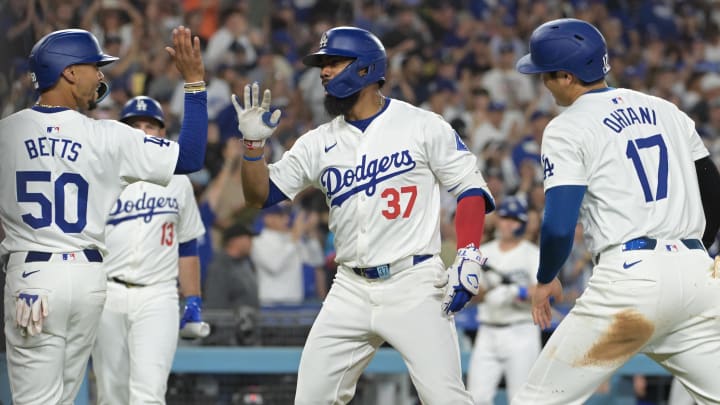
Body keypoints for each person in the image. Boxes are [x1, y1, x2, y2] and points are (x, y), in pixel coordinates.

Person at [233, 26, 495, 404]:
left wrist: (468, 251)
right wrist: (253, 148)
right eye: (322, 65)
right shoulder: (318, 142)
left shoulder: (421, 125)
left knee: (447, 398)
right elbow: (260, 195)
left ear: (365, 69)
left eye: (333, 63)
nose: (323, 72)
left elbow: (469, 188)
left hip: (415, 282)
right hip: (350, 288)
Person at [512, 18, 720, 404]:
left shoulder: (567, 126)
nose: (542, 82)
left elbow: (559, 227)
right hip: (699, 277)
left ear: (566, 75)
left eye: (545, 74)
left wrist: (546, 278)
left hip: (631, 280)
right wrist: (692, 250)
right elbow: (714, 191)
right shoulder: (667, 110)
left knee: (536, 400)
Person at [0, 26, 207, 404]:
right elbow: (191, 156)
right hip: (89, 280)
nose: (101, 75)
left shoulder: (7, 134)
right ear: (69, 72)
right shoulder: (106, 135)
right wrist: (194, 83)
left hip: (33, 277)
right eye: (94, 66)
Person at [90, 96, 207, 404]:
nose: (142, 132)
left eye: (150, 126)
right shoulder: (102, 175)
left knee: (149, 393)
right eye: (134, 126)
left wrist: (193, 299)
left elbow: (188, 244)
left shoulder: (178, 180)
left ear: (161, 133)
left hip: (159, 295)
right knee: (110, 394)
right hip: (108, 292)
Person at [466, 196, 540, 405]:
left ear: (523, 223)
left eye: (515, 219)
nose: (509, 223)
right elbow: (474, 294)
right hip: (487, 330)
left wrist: (517, 292)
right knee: (476, 398)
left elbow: (545, 292)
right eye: (505, 217)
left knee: (521, 400)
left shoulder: (532, 254)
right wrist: (487, 291)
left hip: (521, 330)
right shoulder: (484, 252)